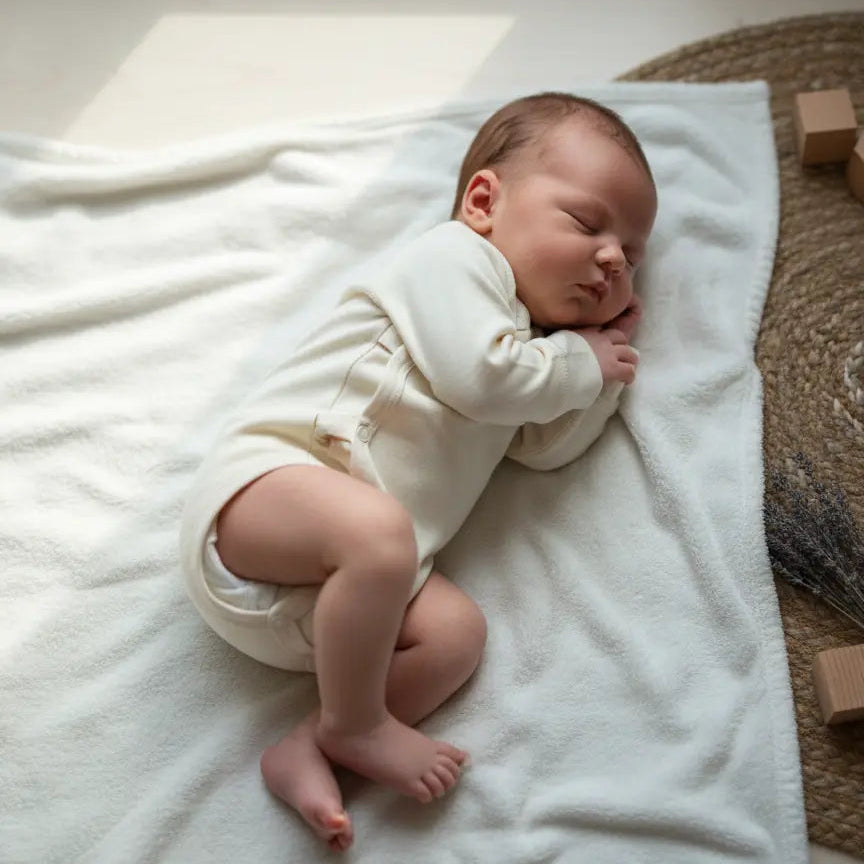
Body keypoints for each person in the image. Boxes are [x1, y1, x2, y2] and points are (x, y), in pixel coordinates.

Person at [178, 91, 657, 852]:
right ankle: (358, 723)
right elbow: (481, 378)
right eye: (586, 223)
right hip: (269, 495)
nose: (612, 258)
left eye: (630, 258)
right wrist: (575, 361)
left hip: (339, 608)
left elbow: (543, 446)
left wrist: (600, 378)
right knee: (380, 532)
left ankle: (315, 739)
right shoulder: (455, 261)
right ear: (482, 202)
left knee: (458, 635)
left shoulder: (530, 352)